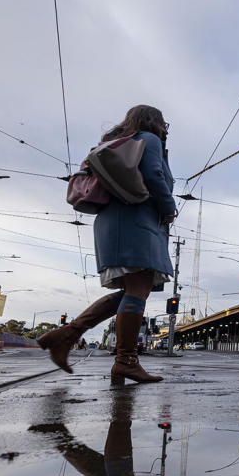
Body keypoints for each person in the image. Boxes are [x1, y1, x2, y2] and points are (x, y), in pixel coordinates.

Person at [38, 105, 175, 385]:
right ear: (154, 122)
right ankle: (126, 361)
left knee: (131, 290)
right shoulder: (147, 140)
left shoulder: (117, 143)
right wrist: (169, 207)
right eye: (164, 124)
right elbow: (153, 176)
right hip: (136, 221)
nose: (165, 129)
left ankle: (66, 336)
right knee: (138, 289)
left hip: (115, 221)